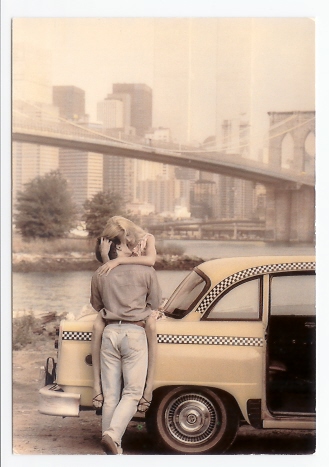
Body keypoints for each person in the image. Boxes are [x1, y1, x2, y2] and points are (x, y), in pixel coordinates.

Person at [90, 240, 162, 454]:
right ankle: (112, 435)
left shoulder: (100, 273)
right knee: (132, 392)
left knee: (111, 395)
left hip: (110, 332)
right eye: (125, 244)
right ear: (119, 249)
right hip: (135, 333)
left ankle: (113, 447)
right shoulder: (146, 271)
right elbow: (156, 303)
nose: (131, 246)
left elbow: (97, 305)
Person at [91, 216, 158, 414]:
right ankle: (97, 385)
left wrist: (116, 260)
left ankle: (149, 387)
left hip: (140, 296)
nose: (126, 242)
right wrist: (107, 259)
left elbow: (151, 261)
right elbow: (111, 279)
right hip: (127, 299)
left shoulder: (147, 239)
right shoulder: (120, 247)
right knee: (97, 325)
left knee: (151, 326)